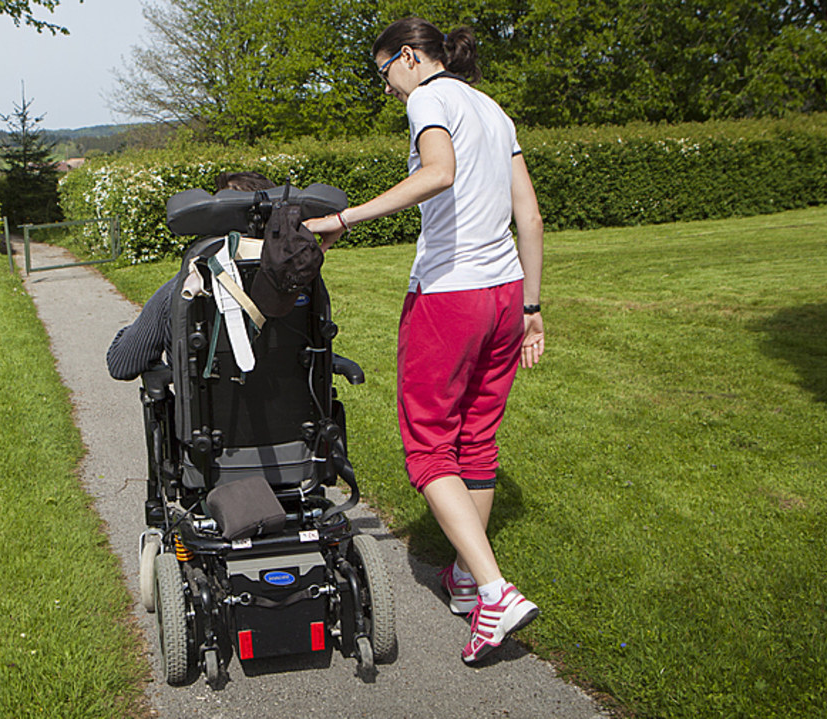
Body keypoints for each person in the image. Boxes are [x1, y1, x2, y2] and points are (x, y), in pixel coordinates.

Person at [303, 17, 546, 664]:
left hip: (450, 295)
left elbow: (438, 174)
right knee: (477, 436)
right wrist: (532, 306)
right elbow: (529, 212)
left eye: (385, 73)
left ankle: (494, 590)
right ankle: (468, 575)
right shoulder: (492, 109)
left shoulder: (431, 97)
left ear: (410, 57)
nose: (387, 89)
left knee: (429, 445)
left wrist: (344, 218)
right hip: (503, 295)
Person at [106, 172, 277, 381]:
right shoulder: (303, 284)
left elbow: (122, 364)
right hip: (299, 410)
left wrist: (133, 333)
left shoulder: (188, 286)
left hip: (209, 410)